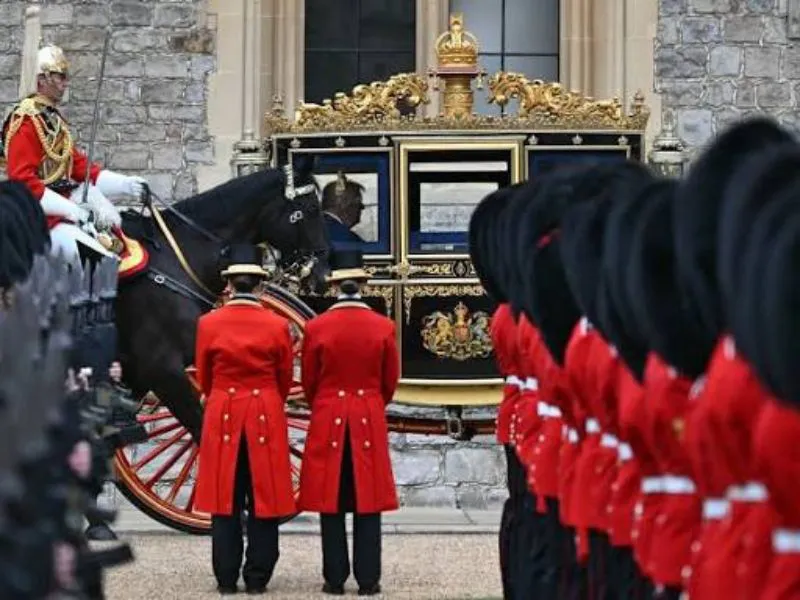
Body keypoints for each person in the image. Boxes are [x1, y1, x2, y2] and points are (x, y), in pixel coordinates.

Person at [193, 244, 297, 595]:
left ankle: (225, 577)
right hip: (265, 409)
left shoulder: (208, 323)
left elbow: (204, 376)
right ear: (259, 285)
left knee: (226, 499)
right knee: (263, 497)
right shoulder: (277, 325)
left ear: (229, 284)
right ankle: (258, 577)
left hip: (223, 408)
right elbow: (285, 377)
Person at [298, 248, 400, 596]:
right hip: (368, 413)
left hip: (329, 414)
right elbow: (390, 382)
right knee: (367, 502)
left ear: (335, 286)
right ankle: (368, 579)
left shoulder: (316, 327)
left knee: (333, 501)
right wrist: (370, 402)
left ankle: (335, 577)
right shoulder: (383, 327)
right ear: (362, 285)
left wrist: (325, 401)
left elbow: (310, 382)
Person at [2, 44, 146, 266]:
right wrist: (71, 210)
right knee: (98, 262)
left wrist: (126, 184)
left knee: (119, 241)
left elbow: (80, 168)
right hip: (38, 218)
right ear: (42, 79)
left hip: (63, 207)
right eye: (60, 76)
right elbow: (22, 181)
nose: (65, 82)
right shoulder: (25, 121)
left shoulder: (51, 119)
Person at [321, 172, 367, 249]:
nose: (362, 207)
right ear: (342, 203)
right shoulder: (348, 239)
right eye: (357, 203)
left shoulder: (309, 228)